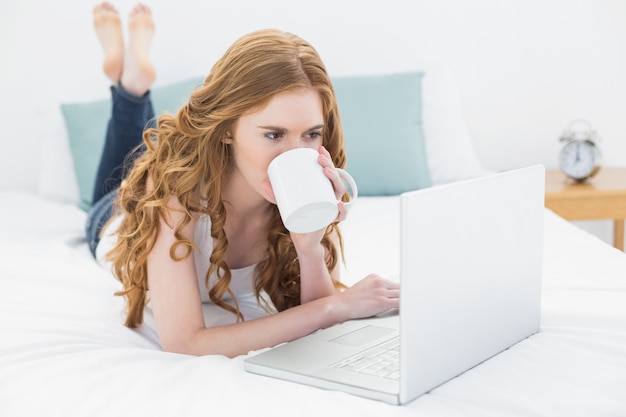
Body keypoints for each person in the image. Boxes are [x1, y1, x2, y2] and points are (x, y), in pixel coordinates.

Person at [87, 2, 399, 358]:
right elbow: (184, 342)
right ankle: (132, 88)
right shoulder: (176, 200)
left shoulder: (307, 193)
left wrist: (310, 247)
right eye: (273, 135)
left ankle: (131, 84)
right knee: (118, 185)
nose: (293, 155)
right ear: (227, 130)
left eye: (310, 134)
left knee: (143, 161)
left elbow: (319, 319)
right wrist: (335, 307)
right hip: (113, 220)